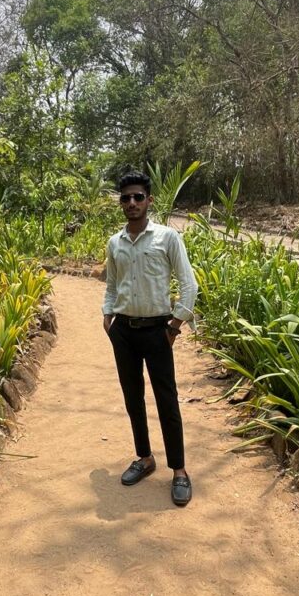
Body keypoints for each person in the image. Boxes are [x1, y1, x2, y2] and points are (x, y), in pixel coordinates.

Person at [102, 170, 198, 506]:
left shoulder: (168, 238)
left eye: (137, 197)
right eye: (125, 197)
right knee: (133, 398)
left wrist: (174, 326)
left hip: (158, 330)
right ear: (121, 202)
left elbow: (189, 284)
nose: (131, 202)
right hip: (124, 331)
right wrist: (108, 315)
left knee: (167, 400)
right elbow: (112, 284)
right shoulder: (115, 243)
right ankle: (144, 458)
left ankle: (180, 471)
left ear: (149, 201)